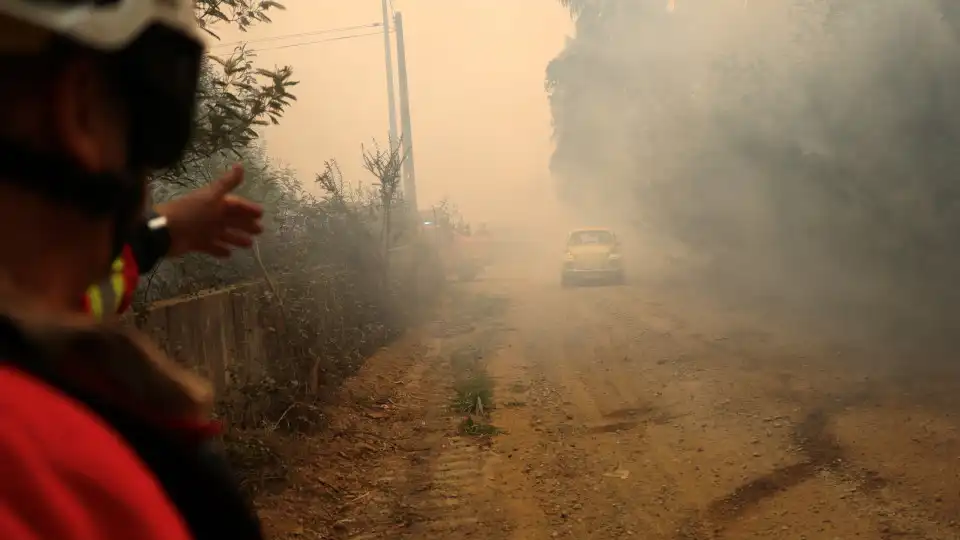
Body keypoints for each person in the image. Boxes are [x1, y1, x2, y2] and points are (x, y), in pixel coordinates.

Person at [0, 2, 264, 539]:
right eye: (151, 126)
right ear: (84, 111)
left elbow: (70, 303)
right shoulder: (54, 472)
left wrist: (162, 231)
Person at [85, 164, 264, 320]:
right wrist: (162, 224)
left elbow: (136, 240)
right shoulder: (78, 288)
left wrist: (164, 223)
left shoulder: (82, 277)